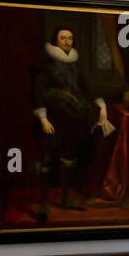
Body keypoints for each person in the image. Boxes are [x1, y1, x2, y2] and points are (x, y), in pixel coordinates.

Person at [30, 26, 113, 222]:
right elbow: (37, 93)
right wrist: (43, 118)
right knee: (47, 161)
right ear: (56, 41)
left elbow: (88, 87)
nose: (67, 41)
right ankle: (44, 204)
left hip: (71, 119)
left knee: (68, 158)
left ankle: (66, 199)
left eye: (70, 38)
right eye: (63, 38)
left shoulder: (75, 65)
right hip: (51, 120)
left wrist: (101, 104)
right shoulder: (46, 66)